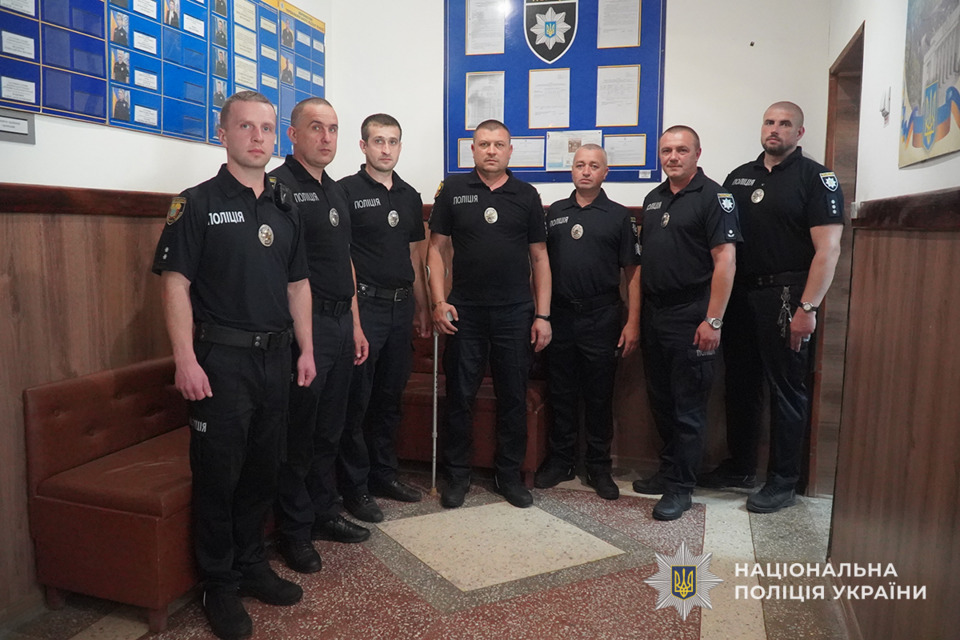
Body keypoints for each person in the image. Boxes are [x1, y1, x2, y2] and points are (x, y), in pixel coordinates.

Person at [152, 90, 315, 640]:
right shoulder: (195, 203)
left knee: (263, 469)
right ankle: (218, 583)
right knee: (218, 475)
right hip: (219, 361)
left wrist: (306, 350)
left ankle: (250, 564)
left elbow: (298, 285)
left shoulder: (286, 207)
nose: (257, 137)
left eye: (266, 127)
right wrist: (185, 359)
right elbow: (176, 285)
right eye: (245, 127)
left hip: (276, 359)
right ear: (223, 134)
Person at [698, 101, 844, 513]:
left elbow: (828, 250)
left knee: (787, 389)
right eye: (769, 122)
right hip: (741, 295)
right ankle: (740, 466)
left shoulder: (817, 178)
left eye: (784, 123)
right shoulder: (738, 177)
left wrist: (808, 307)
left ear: (800, 133)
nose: (774, 129)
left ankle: (783, 480)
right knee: (740, 384)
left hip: (787, 295)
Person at [427, 119, 552, 510]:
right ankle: (457, 475)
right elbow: (435, 249)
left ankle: (508, 474)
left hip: (515, 313)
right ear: (473, 149)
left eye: (499, 144)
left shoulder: (527, 195)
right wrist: (437, 301)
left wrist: (543, 315)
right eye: (484, 144)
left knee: (513, 396)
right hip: (464, 311)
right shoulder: (453, 189)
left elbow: (540, 257)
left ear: (510, 150)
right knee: (459, 395)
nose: (492, 150)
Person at [269, 97, 371, 575]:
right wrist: (303, 336)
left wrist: (355, 323)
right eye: (315, 128)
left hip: (339, 323)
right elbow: (281, 272)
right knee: (299, 433)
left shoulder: (335, 189)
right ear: (293, 134)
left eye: (332, 129)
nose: (326, 138)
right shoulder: (278, 188)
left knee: (331, 428)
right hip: (302, 330)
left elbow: (344, 259)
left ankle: (325, 511)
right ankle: (294, 530)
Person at [631, 125, 740, 521]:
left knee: (688, 407)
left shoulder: (714, 197)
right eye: (666, 151)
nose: (672, 157)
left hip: (693, 314)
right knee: (661, 400)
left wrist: (713, 319)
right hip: (655, 314)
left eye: (681, 150)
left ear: (697, 153)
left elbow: (725, 261)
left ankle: (681, 488)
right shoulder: (654, 199)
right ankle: (668, 470)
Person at [336, 114, 431, 522]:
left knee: (389, 399)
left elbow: (416, 258)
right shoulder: (344, 191)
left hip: (401, 307)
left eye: (393, 141)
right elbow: (342, 259)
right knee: (357, 402)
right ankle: (354, 488)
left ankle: (383, 475)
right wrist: (355, 318)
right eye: (378, 141)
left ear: (400, 146)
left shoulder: (409, 195)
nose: (386, 149)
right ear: (363, 146)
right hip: (365, 307)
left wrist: (422, 308)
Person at [534, 144, 640, 500]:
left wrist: (633, 322)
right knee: (561, 392)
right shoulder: (554, 213)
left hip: (602, 316)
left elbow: (633, 273)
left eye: (594, 166)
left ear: (605, 172)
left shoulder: (619, 216)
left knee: (599, 395)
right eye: (580, 165)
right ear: (572, 169)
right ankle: (561, 461)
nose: (586, 171)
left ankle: (598, 466)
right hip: (560, 315)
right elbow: (539, 264)